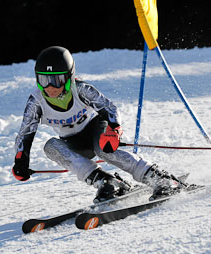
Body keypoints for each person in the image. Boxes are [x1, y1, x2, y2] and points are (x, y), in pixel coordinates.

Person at [12, 46, 188, 202]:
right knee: (50, 147)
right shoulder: (36, 102)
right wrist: (21, 160)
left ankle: (159, 178)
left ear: (69, 77)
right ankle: (108, 182)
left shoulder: (80, 89)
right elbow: (25, 133)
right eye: (44, 80)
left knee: (103, 149)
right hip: (74, 142)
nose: (50, 87)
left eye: (56, 80)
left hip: (95, 128)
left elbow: (109, 108)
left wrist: (114, 130)